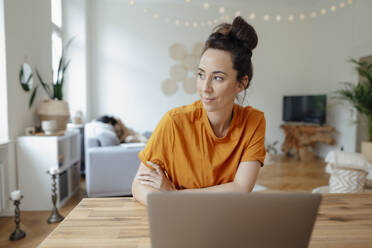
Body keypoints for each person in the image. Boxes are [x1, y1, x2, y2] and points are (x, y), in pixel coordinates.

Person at [132, 16, 266, 206]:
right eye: (201, 75)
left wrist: (173, 195)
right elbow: (139, 185)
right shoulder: (174, 122)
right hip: (178, 219)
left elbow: (241, 188)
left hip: (227, 220)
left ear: (241, 83)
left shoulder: (253, 122)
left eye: (218, 78)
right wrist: (168, 204)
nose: (205, 87)